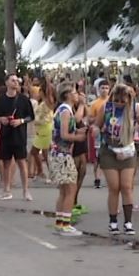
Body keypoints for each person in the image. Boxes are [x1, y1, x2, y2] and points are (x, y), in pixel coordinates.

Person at [94, 84, 139, 235]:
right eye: (116, 99)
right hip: (109, 150)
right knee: (114, 187)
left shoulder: (134, 109)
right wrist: (95, 130)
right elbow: (96, 126)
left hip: (128, 150)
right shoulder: (106, 108)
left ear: (129, 99)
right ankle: (113, 222)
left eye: (122, 100)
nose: (119, 102)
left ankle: (128, 222)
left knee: (126, 186)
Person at [48, 84, 85, 236]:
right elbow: (64, 134)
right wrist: (78, 137)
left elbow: (75, 121)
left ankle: (59, 222)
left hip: (59, 153)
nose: (77, 95)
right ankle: (65, 224)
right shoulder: (64, 111)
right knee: (70, 189)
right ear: (68, 94)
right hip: (62, 154)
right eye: (75, 92)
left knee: (64, 190)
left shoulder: (66, 110)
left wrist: (77, 130)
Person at [0, 74, 35, 201]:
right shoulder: (0, 100)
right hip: (5, 135)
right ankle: (6, 189)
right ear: (6, 83)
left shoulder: (23, 99)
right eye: (12, 80)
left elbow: (31, 116)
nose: (15, 82)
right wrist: (2, 119)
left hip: (19, 135)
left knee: (22, 162)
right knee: (6, 163)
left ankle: (26, 190)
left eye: (17, 80)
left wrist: (20, 121)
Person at [88, 79, 111, 189]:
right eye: (102, 88)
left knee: (108, 156)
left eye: (106, 88)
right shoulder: (94, 104)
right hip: (98, 133)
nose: (104, 90)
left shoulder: (112, 102)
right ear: (99, 89)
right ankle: (97, 178)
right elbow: (90, 119)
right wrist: (99, 118)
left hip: (109, 133)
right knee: (97, 156)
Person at [29, 80, 54, 182]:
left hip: (45, 129)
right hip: (40, 129)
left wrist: (47, 83)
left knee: (44, 153)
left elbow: (49, 94)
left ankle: (51, 174)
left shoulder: (48, 102)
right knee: (38, 152)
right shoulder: (41, 103)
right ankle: (41, 172)